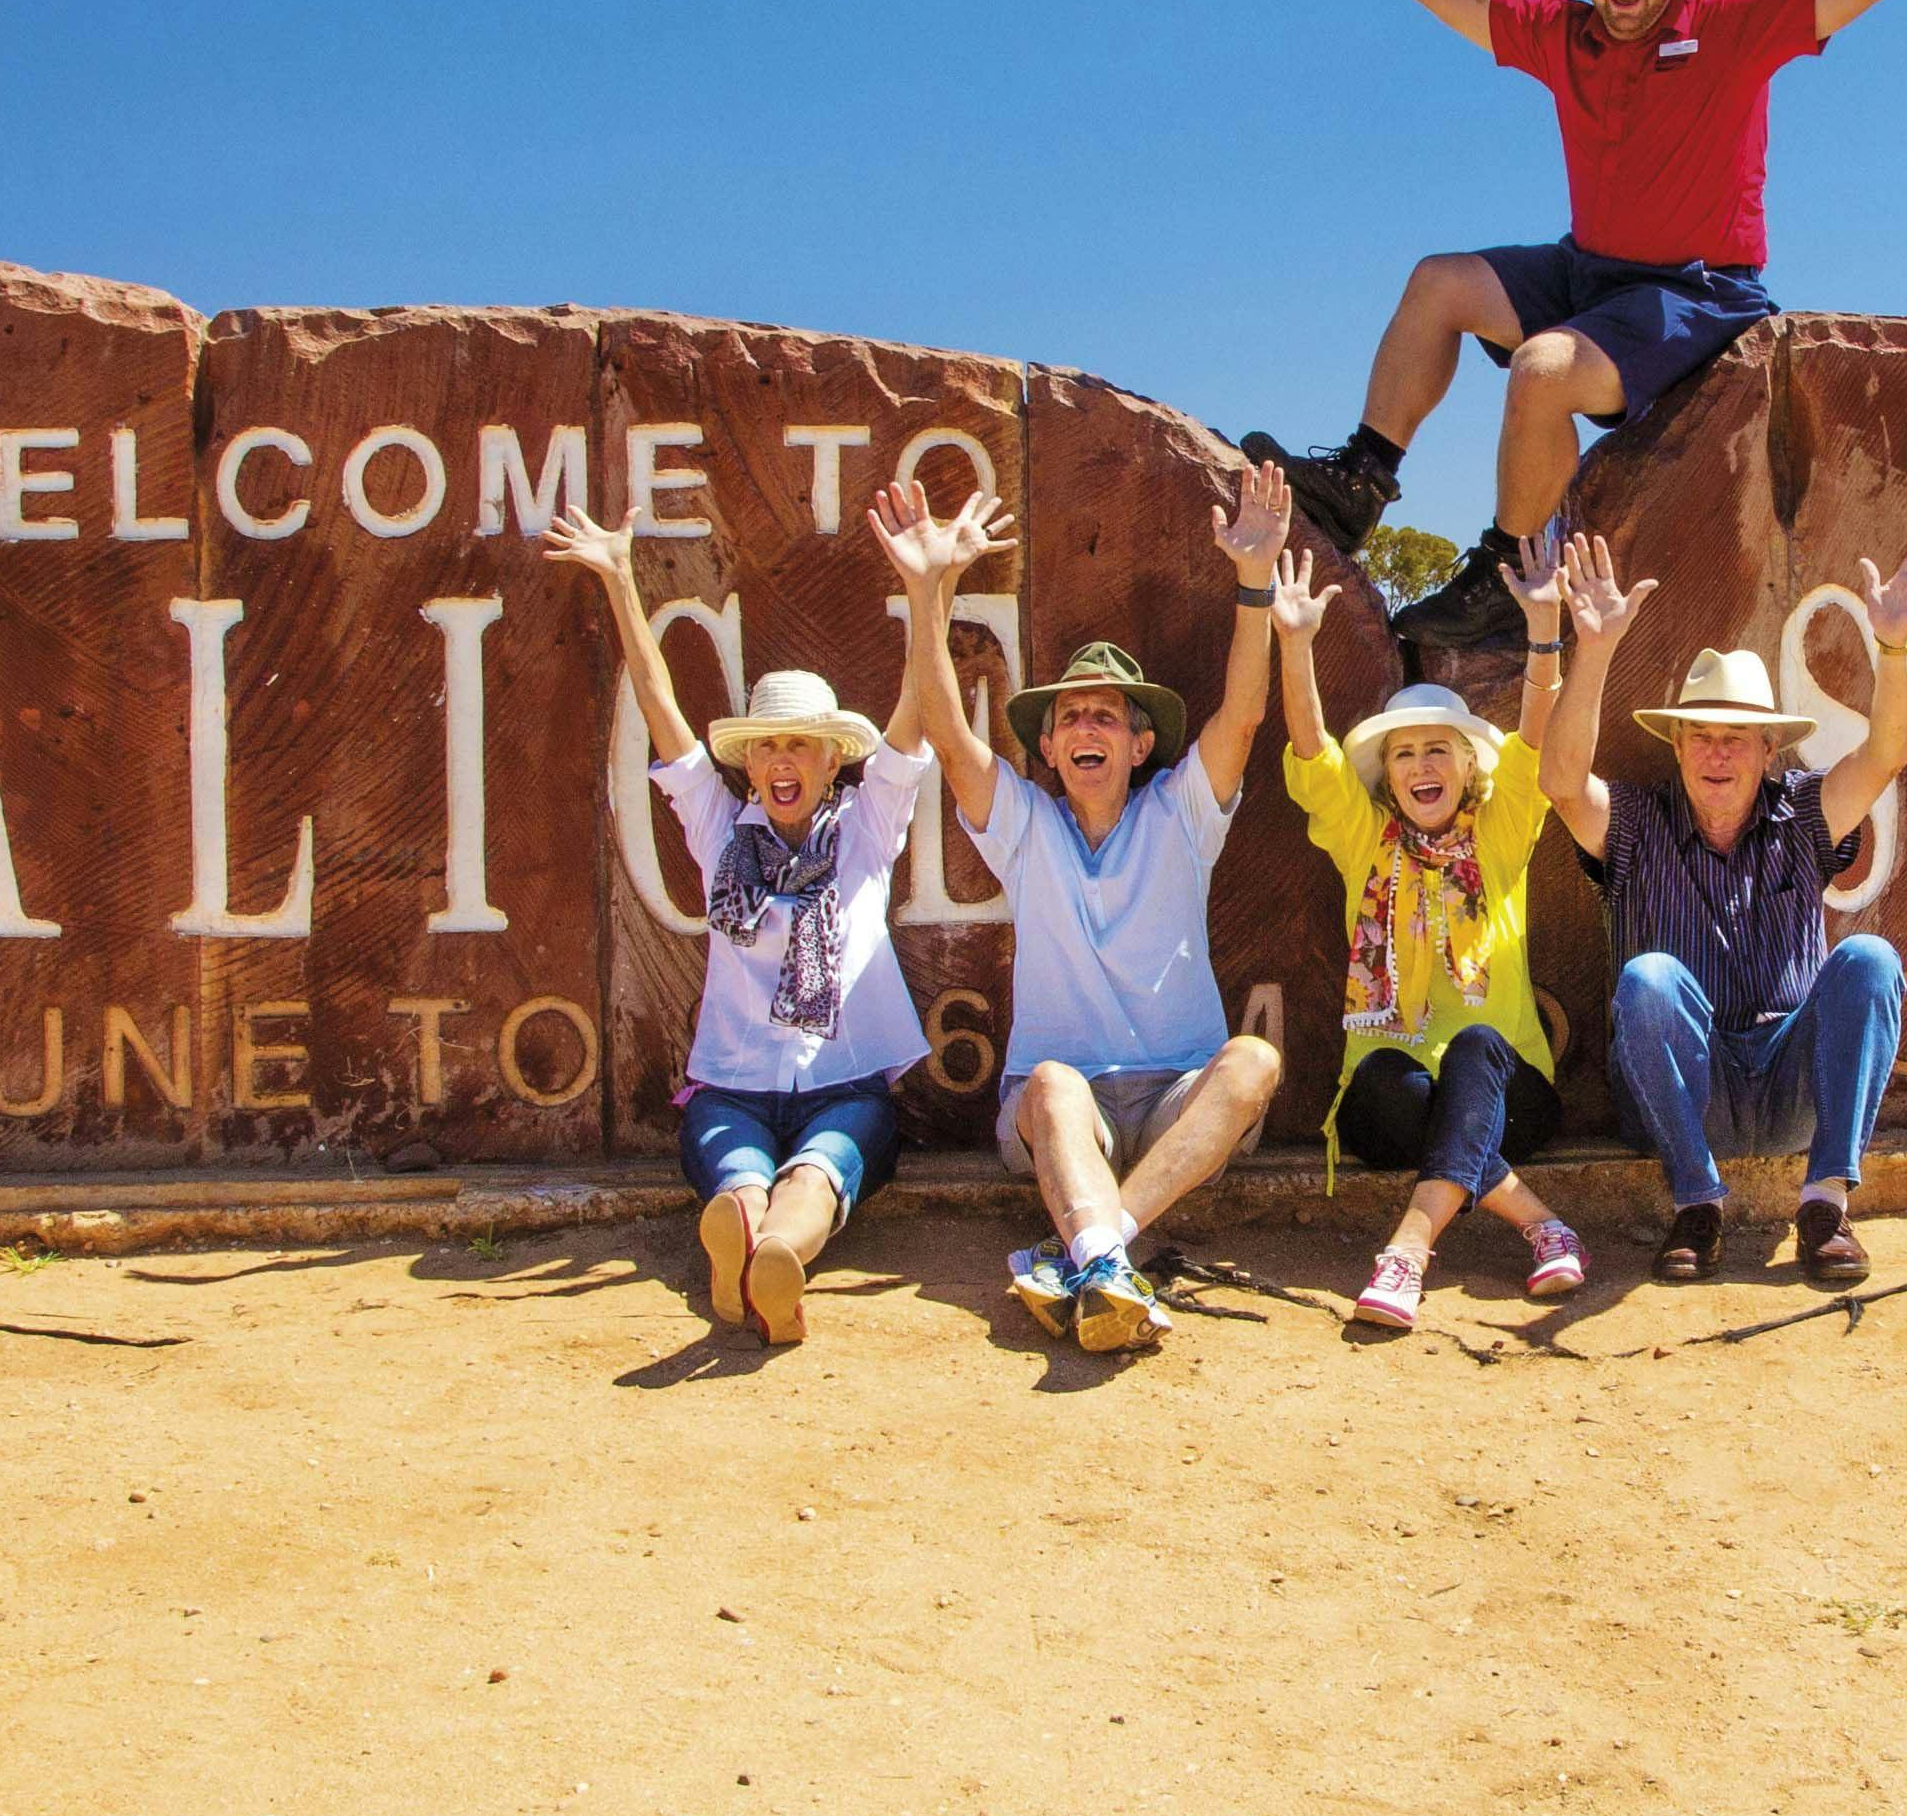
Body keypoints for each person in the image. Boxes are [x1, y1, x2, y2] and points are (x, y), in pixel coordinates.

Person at [1244, 0, 1907, 657]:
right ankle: (1360, 484)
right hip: (1590, 269)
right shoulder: (1564, 35)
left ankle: (1512, 574)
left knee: (1541, 372)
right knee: (1438, 282)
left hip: (1697, 291)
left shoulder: (1727, 27)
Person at [542, 480, 991, 1347]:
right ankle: (747, 1239)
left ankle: (775, 1255)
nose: (784, 760)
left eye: (802, 746)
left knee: (819, 1177)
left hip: (843, 1087)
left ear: (832, 762)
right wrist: (618, 581)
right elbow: (659, 703)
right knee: (738, 1176)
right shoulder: (720, 831)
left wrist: (930, 589)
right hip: (733, 1090)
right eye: (770, 746)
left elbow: (916, 708)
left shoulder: (866, 834)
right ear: (751, 766)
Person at [888, 458, 1302, 1356]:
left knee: (1255, 1062)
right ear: (1046, 744)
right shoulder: (1025, 825)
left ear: (1140, 742)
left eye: (1106, 717)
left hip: (1173, 1103)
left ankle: (1095, 1252)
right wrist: (927, 594)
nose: (1085, 729)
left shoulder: (1182, 815)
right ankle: (1107, 1260)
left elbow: (1242, 715)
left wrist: (1255, 580)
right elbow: (951, 737)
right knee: (1051, 1081)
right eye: (1069, 717)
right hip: (1059, 1115)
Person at [1536, 525, 1907, 1286]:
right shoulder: (1635, 822)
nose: (1718, 754)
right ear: (1679, 748)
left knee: (1869, 959)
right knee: (1649, 978)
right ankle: (1697, 1204)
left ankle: (1826, 1203)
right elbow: (1562, 782)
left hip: (1792, 1085)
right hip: (1680, 1099)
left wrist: (1892, 649)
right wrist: (1591, 650)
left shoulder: (1804, 812)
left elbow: (1887, 753)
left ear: (1769, 753)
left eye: (1738, 739)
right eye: (1702, 737)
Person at [1272, 538, 1600, 1333]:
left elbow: (1533, 742)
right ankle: (1540, 1222)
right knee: (1385, 1071)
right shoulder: (1364, 841)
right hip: (1391, 1108)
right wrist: (1293, 644)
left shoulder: (1501, 832)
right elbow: (1313, 755)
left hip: (1511, 1096)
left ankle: (1408, 1251)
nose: (1422, 763)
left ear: (1466, 768)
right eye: (1405, 752)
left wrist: (1545, 630)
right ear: (1389, 775)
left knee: (1480, 1048)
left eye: (1437, 750)